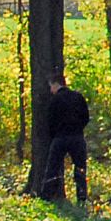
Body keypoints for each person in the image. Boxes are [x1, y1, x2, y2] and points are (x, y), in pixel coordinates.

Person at [42, 71, 91, 204]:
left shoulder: (55, 100)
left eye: (51, 86)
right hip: (77, 137)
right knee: (80, 168)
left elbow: (50, 121)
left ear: (55, 84)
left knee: (52, 168)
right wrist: (79, 128)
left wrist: (54, 134)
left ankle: (46, 197)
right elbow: (86, 117)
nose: (51, 90)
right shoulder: (78, 97)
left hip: (60, 138)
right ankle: (82, 198)